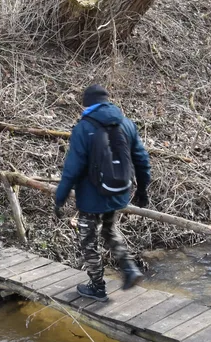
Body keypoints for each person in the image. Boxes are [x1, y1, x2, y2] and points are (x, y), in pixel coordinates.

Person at [54, 84, 151, 301]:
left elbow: (72, 168)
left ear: (86, 104)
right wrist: (143, 189)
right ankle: (128, 268)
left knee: (88, 240)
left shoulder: (83, 128)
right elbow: (142, 159)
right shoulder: (126, 124)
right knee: (108, 229)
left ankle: (97, 287)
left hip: (91, 197)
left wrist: (60, 198)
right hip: (117, 192)